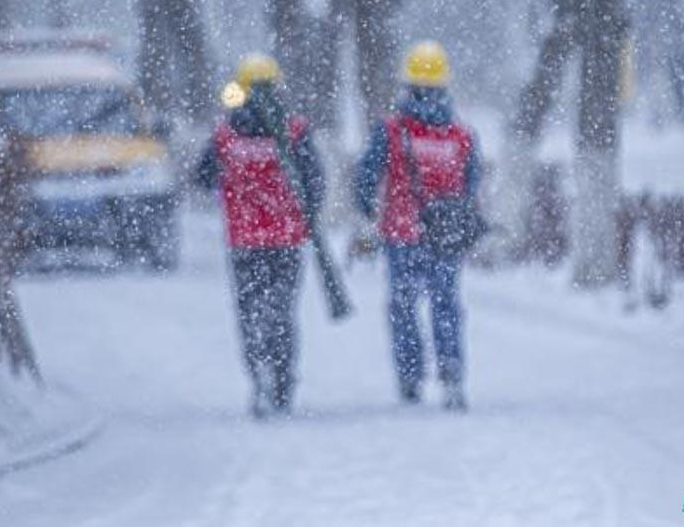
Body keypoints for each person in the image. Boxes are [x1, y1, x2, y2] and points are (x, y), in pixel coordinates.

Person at [353, 41, 481, 411]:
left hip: (401, 233)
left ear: (408, 86)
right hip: (445, 236)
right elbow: (472, 184)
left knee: (404, 306)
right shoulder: (462, 136)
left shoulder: (391, 132)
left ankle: (410, 376)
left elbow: (366, 176)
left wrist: (365, 209)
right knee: (446, 306)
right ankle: (452, 373)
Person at [198, 53, 324, 418]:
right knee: (282, 313)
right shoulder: (295, 131)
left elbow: (202, 177)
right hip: (286, 239)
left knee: (251, 313)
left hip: (244, 241)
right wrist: (303, 211)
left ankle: (260, 378)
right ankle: (283, 384)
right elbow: (315, 180)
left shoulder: (224, 135)